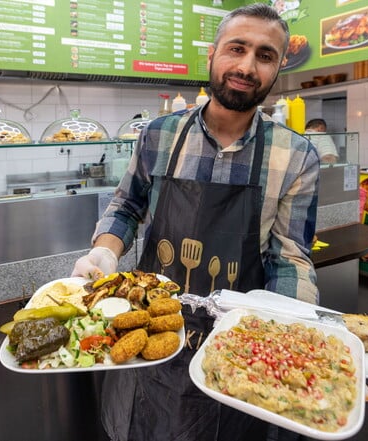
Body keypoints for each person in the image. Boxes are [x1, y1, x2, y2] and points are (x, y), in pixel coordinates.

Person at [72, 4, 319, 440]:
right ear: (212, 54)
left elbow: (290, 257)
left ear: (278, 67)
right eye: (236, 48)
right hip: (150, 334)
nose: (246, 66)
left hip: (234, 347)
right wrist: (103, 252)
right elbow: (127, 207)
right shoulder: (159, 135)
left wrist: (288, 336)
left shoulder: (296, 155)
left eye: (264, 56)